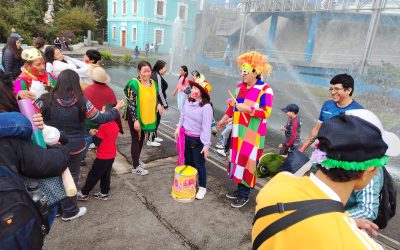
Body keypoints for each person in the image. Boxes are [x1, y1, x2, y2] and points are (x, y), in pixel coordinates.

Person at [252, 109, 400, 249]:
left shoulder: (277, 183)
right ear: (370, 169)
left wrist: (344, 221)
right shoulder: (360, 246)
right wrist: (344, 224)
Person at [34, 69, 125, 221]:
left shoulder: (45, 99)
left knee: (53, 177)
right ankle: (69, 211)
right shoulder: (82, 101)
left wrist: (21, 95)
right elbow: (100, 118)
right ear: (76, 84)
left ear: (59, 82)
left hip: (51, 147)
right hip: (75, 148)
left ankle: (55, 209)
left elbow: (28, 112)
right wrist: (116, 110)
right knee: (72, 178)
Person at [0, 70, 69, 227]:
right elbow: (46, 162)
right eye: (37, 64)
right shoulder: (11, 135)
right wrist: (62, 149)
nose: (41, 66)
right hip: (16, 214)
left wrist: (17, 98)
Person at [217, 51, 273, 208]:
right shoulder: (239, 87)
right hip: (238, 132)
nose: (242, 74)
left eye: (245, 72)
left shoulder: (265, 89)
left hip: (253, 134)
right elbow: (233, 106)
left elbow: (266, 112)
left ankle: (244, 194)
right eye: (241, 71)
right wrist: (224, 119)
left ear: (256, 71)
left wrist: (248, 109)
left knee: (248, 163)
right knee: (237, 160)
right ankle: (240, 190)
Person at [299, 73, 363, 152]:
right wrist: (302, 149)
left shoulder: (358, 111)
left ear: (348, 90)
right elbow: (317, 129)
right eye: (331, 89)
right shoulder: (327, 105)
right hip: (322, 152)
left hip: (342, 157)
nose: (332, 92)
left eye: (336, 89)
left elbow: (360, 140)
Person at [174, 80, 213, 200]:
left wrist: (206, 145)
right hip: (185, 137)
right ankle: (191, 181)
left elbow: (207, 128)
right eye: (192, 88)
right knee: (188, 161)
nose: (193, 90)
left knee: (199, 164)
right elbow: (182, 116)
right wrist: (178, 127)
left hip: (198, 141)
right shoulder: (187, 102)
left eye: (197, 89)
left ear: (202, 93)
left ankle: (202, 187)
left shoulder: (206, 107)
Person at [123, 61, 163, 176]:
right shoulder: (134, 84)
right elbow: (130, 104)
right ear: (139, 72)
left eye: (148, 71)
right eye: (144, 71)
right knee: (136, 140)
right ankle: (135, 167)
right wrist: (135, 120)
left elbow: (155, 97)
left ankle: (137, 160)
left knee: (141, 139)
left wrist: (159, 104)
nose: (147, 73)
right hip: (135, 116)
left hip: (147, 115)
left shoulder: (153, 83)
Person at [81, 66, 123, 166]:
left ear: (93, 79)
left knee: (86, 140)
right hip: (104, 122)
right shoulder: (110, 91)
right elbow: (114, 108)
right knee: (101, 140)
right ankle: (100, 152)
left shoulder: (87, 90)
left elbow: (82, 107)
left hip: (89, 122)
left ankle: (82, 159)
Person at [77, 104, 120, 201]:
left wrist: (92, 134)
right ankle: (104, 192)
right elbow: (107, 137)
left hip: (103, 156)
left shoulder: (103, 125)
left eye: (102, 110)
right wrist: (98, 132)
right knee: (106, 174)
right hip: (111, 154)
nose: (101, 112)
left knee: (93, 175)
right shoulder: (114, 125)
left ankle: (84, 193)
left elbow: (97, 141)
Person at [148, 60, 168, 147]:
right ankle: (150, 140)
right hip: (156, 103)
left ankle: (154, 136)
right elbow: (159, 92)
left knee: (156, 120)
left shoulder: (155, 74)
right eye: (165, 67)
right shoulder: (157, 76)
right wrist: (165, 104)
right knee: (154, 120)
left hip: (155, 101)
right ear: (160, 68)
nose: (166, 69)